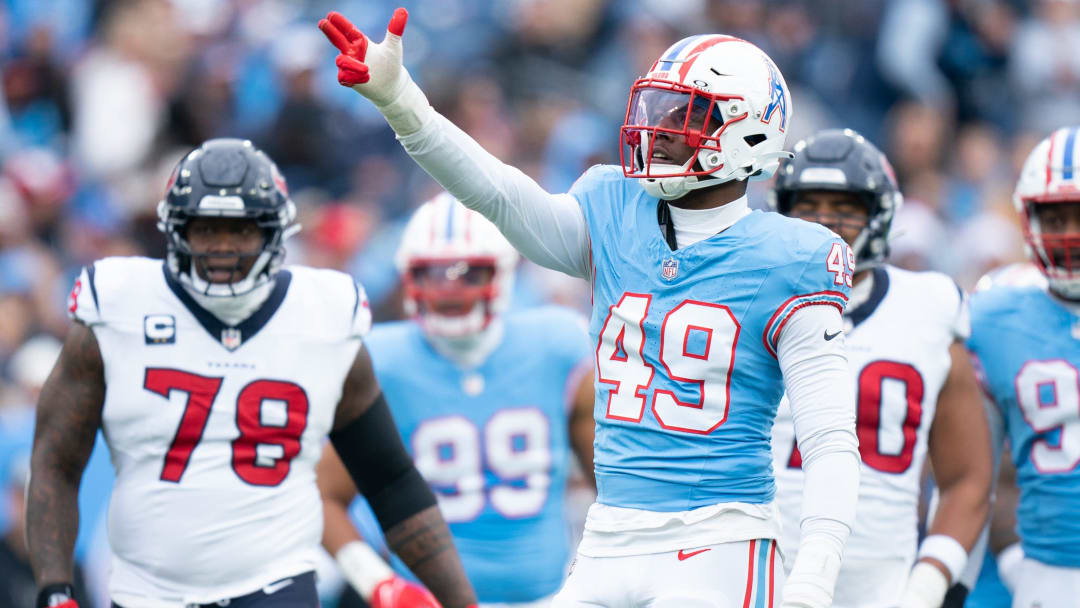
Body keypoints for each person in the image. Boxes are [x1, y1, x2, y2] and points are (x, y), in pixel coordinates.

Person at [318, 10, 860, 607]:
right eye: (659, 109)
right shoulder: (613, 206)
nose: (659, 128)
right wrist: (401, 101)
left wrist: (815, 574)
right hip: (608, 538)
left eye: (685, 115)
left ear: (747, 136)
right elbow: (498, 194)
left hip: (719, 540)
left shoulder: (794, 257)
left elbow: (830, 438)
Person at [26, 138, 477, 608]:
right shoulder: (119, 306)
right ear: (176, 229)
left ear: (273, 233)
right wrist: (55, 591)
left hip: (275, 585)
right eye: (206, 229)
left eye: (240, 230)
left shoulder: (324, 316)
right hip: (146, 592)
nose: (222, 248)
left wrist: (462, 603)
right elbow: (56, 461)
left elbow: (389, 479)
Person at [317, 193, 595, 607]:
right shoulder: (380, 360)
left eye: (468, 273)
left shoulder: (558, 346)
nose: (449, 289)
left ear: (500, 274)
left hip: (549, 597)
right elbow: (322, 494)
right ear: (408, 278)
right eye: (432, 274)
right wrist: (379, 583)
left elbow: (614, 485)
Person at [768, 129, 993, 608]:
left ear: (880, 213)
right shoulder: (744, 300)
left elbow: (968, 478)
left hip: (883, 588)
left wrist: (928, 585)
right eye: (809, 205)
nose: (826, 222)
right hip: (753, 578)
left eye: (846, 205)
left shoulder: (928, 306)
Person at [966, 126, 1080, 608]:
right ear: (1027, 219)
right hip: (1048, 567)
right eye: (1055, 217)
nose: (1070, 234)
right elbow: (972, 475)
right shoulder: (992, 316)